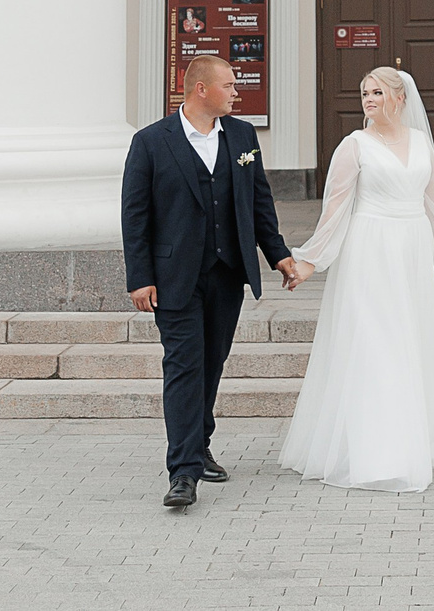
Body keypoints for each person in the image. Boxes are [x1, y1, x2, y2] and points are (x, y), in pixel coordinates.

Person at [121, 52, 300, 511]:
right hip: (173, 276)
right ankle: (182, 471)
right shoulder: (151, 142)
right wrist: (139, 278)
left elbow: (260, 202)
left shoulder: (241, 136)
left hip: (226, 272)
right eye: (229, 85)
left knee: (211, 362)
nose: (236, 92)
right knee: (183, 365)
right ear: (201, 89)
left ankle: (199, 445)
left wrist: (278, 255)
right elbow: (134, 215)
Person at [278, 66, 434, 493]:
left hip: (413, 246)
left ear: (400, 97)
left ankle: (415, 436)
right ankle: (376, 450)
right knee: (375, 341)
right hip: (370, 249)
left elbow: (433, 203)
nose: (369, 99)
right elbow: (335, 209)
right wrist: (311, 261)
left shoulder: (421, 142)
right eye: (365, 93)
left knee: (409, 339)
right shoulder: (354, 146)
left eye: (378, 92)